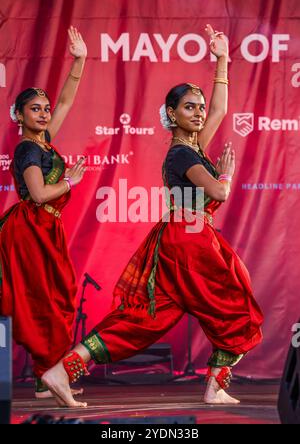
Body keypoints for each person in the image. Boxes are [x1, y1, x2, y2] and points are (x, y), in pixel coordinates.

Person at [41, 24, 263, 408]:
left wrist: (222, 58)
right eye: (188, 107)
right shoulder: (182, 155)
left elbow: (222, 107)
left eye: (199, 107)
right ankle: (215, 385)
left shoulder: (193, 149)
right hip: (191, 241)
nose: (198, 113)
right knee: (237, 309)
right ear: (172, 115)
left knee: (145, 320)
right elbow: (220, 192)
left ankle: (63, 369)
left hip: (182, 239)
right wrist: (225, 170)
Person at [0, 26, 87, 399]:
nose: (45, 113)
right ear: (18, 114)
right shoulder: (27, 150)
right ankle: (52, 378)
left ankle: (44, 375)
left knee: (57, 297)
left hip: (45, 228)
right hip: (30, 228)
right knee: (44, 304)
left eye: (45, 108)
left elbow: (66, 101)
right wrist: (71, 182)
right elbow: (37, 194)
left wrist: (80, 60)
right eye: (34, 109)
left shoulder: (43, 140)